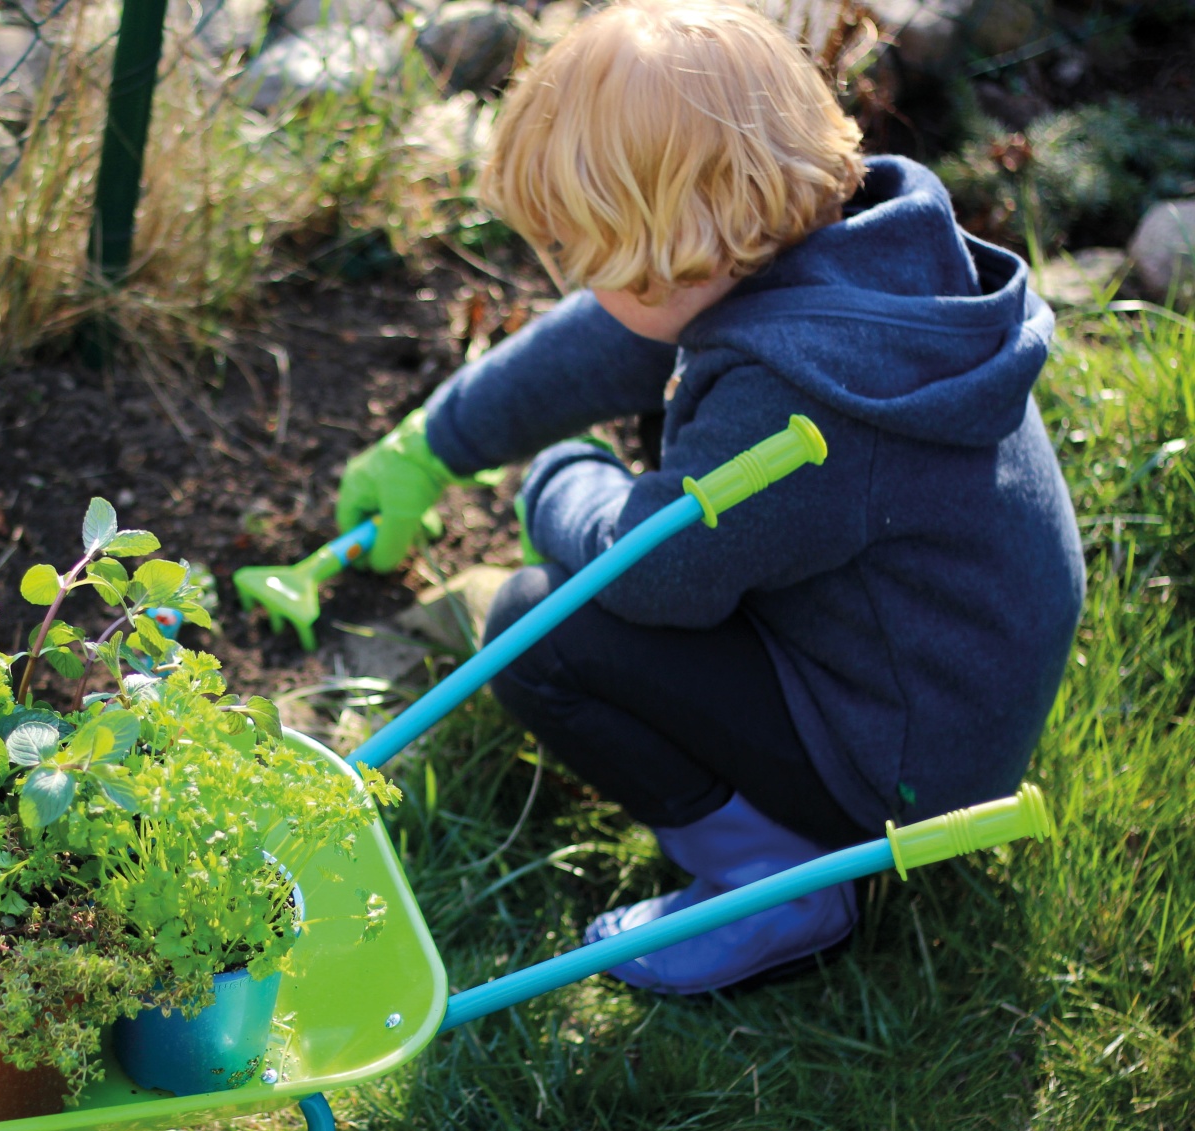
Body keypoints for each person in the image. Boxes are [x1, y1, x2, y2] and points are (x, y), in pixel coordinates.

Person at [334, 0, 1084, 993]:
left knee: (540, 629)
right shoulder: (859, 247)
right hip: (931, 684)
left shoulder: (805, 400)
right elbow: (615, 335)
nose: (576, 279)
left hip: (903, 765)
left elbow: (649, 576)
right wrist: (439, 438)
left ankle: (777, 881)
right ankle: (781, 842)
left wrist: (555, 477)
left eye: (587, 255)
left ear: (684, 239)